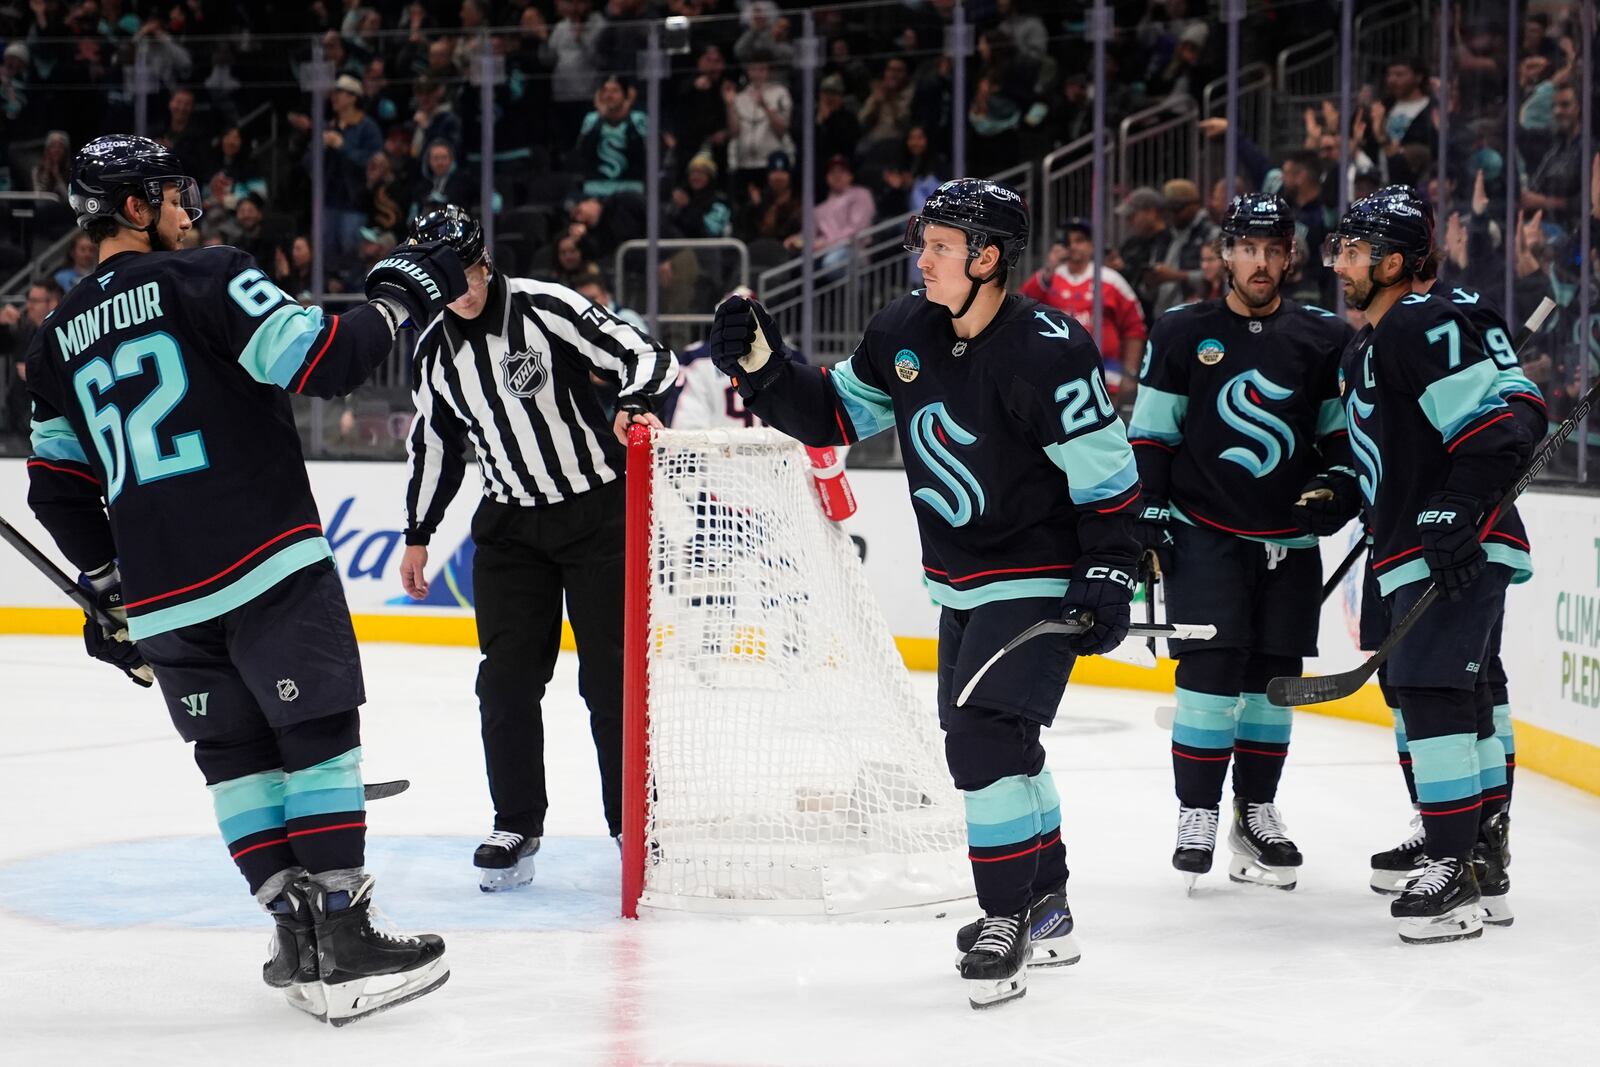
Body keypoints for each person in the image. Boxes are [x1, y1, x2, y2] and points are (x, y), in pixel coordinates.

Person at [21, 135, 467, 1023]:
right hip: (261, 557)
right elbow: (331, 361)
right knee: (316, 730)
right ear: (136, 209)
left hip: (160, 596)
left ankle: (294, 933)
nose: (191, 206)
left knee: (231, 757)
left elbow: (56, 490)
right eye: (172, 193)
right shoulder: (208, 275)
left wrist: (107, 586)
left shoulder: (53, 340)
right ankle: (342, 929)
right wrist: (409, 280)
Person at [707, 179, 1140, 1009]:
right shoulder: (902, 330)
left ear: (988, 259)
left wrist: (1111, 571)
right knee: (1003, 746)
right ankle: (1046, 904)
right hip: (961, 581)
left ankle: (1004, 917)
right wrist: (765, 365)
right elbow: (833, 415)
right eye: (925, 242)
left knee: (979, 743)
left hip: (1041, 576)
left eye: (943, 245)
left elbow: (1110, 478)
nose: (924, 258)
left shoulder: (1052, 347)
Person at [396, 205, 678, 892]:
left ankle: (631, 824)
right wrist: (417, 533)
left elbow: (646, 354)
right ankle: (516, 819)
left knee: (610, 679)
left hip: (597, 515)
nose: (460, 283)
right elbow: (436, 447)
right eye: (444, 274)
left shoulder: (547, 308)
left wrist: (635, 401)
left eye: (466, 267)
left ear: (484, 258)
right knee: (506, 679)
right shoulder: (433, 352)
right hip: (511, 528)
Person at [1127, 194, 1354, 893]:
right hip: (1206, 535)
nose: (1261, 262)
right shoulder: (1179, 331)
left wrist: (1338, 488)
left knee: (1271, 687)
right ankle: (1196, 812)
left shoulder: (1324, 337)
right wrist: (1150, 520)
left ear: (1291, 256)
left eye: (1274, 249)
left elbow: (1340, 439)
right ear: (1225, 253)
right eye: (1249, 248)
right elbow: (1151, 436)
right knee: (1207, 679)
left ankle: (1254, 811)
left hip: (1288, 542)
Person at [1325, 185, 1533, 944]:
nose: (1340, 264)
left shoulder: (1422, 321)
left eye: (1354, 251)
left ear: (1395, 262)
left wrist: (1456, 507)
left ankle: (1453, 868)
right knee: (1437, 692)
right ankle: (1472, 852)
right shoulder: (1368, 343)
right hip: (1411, 543)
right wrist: (1343, 491)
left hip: (1456, 541)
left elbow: (1491, 431)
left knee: (1438, 688)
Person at [1019, 218, 1146, 408]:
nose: (1073, 247)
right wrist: (1049, 269)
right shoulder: (1048, 278)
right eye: (1068, 242)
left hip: (1105, 371)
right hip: (1053, 370)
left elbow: (1134, 328)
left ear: (1091, 245)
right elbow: (1021, 306)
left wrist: (1129, 373)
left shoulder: (1111, 280)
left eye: (1080, 240)